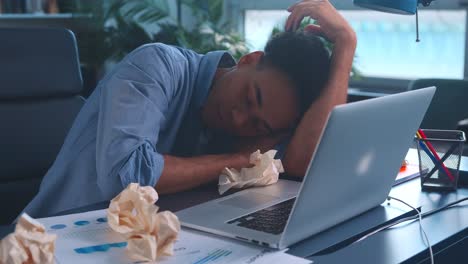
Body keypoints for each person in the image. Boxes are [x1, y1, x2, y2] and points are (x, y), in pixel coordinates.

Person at [22, 0, 356, 218]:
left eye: (258, 125)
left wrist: (345, 45)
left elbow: (302, 162)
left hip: (148, 244)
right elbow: (126, 174)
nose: (240, 119)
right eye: (250, 98)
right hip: (58, 238)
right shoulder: (157, 65)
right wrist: (240, 160)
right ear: (250, 60)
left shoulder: (243, 128)